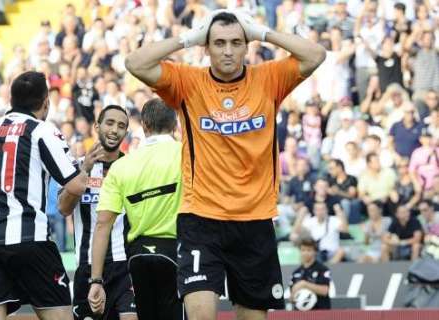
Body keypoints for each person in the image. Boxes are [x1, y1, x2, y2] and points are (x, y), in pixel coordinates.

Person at [124, 8, 325, 320]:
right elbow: (135, 63)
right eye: (218, 43)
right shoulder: (187, 82)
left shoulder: (269, 78)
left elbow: (315, 55)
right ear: (207, 47)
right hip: (201, 218)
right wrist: (187, 38)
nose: (228, 51)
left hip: (255, 220)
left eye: (236, 42)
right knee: (200, 314)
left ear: (247, 46)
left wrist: (261, 31)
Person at [0, 71, 99, 320]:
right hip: (30, 240)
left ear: (11, 100)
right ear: (46, 102)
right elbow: (75, 185)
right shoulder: (42, 131)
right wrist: (98, 178)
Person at [88, 99, 183, 320]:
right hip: (175, 251)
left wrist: (95, 280)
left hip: (138, 257)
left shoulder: (122, 165)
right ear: (174, 125)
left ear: (144, 126)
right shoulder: (186, 155)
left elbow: (103, 224)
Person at [59, 105, 137, 320]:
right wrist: (83, 171)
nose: (114, 130)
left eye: (121, 126)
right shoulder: (75, 166)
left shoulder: (132, 167)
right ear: (97, 126)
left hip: (125, 264)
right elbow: (63, 208)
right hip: (87, 264)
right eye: (110, 123)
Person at [289, 237, 331, 311]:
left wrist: (304, 284)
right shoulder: (296, 273)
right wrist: (294, 296)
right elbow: (292, 298)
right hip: (300, 314)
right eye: (303, 250)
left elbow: (324, 291)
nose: (305, 253)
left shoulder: (322, 269)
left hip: (320, 312)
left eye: (309, 250)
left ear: (315, 252)